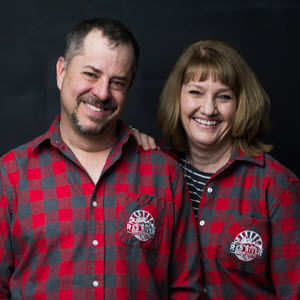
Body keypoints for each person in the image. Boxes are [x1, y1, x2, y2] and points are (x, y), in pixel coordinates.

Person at [0, 18, 203, 299]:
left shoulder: (163, 174)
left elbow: (186, 289)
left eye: (117, 82)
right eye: (91, 74)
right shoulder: (11, 175)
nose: (103, 93)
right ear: (61, 72)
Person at [132, 39, 300, 299]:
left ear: (241, 104)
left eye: (223, 96)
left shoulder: (276, 187)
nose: (209, 109)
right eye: (196, 92)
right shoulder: (153, 169)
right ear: (177, 97)